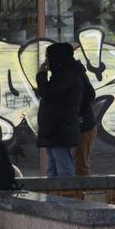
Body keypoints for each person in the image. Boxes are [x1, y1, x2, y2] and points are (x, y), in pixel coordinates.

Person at [34, 42, 82, 177]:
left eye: (48, 57)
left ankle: (67, 194)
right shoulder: (64, 74)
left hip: (59, 128)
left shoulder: (66, 76)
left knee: (62, 165)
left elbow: (47, 92)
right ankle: (54, 195)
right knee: (52, 165)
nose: (46, 61)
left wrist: (41, 75)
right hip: (56, 128)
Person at [72, 60, 97, 176]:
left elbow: (90, 94)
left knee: (80, 165)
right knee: (79, 164)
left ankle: (82, 192)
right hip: (83, 124)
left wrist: (78, 113)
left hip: (83, 125)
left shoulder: (74, 73)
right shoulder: (77, 72)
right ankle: (80, 191)